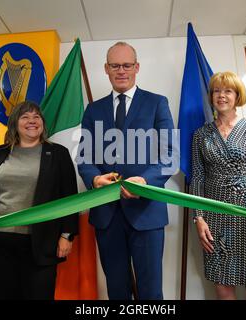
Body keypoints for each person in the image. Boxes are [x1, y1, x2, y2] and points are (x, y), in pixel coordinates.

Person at [77, 42, 175, 300]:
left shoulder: (157, 103)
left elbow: (170, 155)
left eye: (127, 65)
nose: (121, 70)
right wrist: (95, 178)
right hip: (106, 214)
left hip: (147, 212)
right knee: (116, 291)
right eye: (115, 65)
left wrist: (145, 180)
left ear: (137, 67)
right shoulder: (93, 110)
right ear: (106, 69)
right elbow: (84, 156)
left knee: (150, 292)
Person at [190, 71, 246, 300]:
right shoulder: (201, 135)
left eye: (228, 90)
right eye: (217, 91)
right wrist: (198, 218)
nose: (221, 96)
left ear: (237, 95)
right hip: (216, 215)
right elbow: (197, 178)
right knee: (222, 283)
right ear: (211, 96)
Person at [0, 101, 78, 300]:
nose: (32, 121)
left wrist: (67, 235)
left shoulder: (58, 154)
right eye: (25, 117)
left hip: (41, 243)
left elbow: (69, 196)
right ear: (15, 124)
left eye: (36, 117)